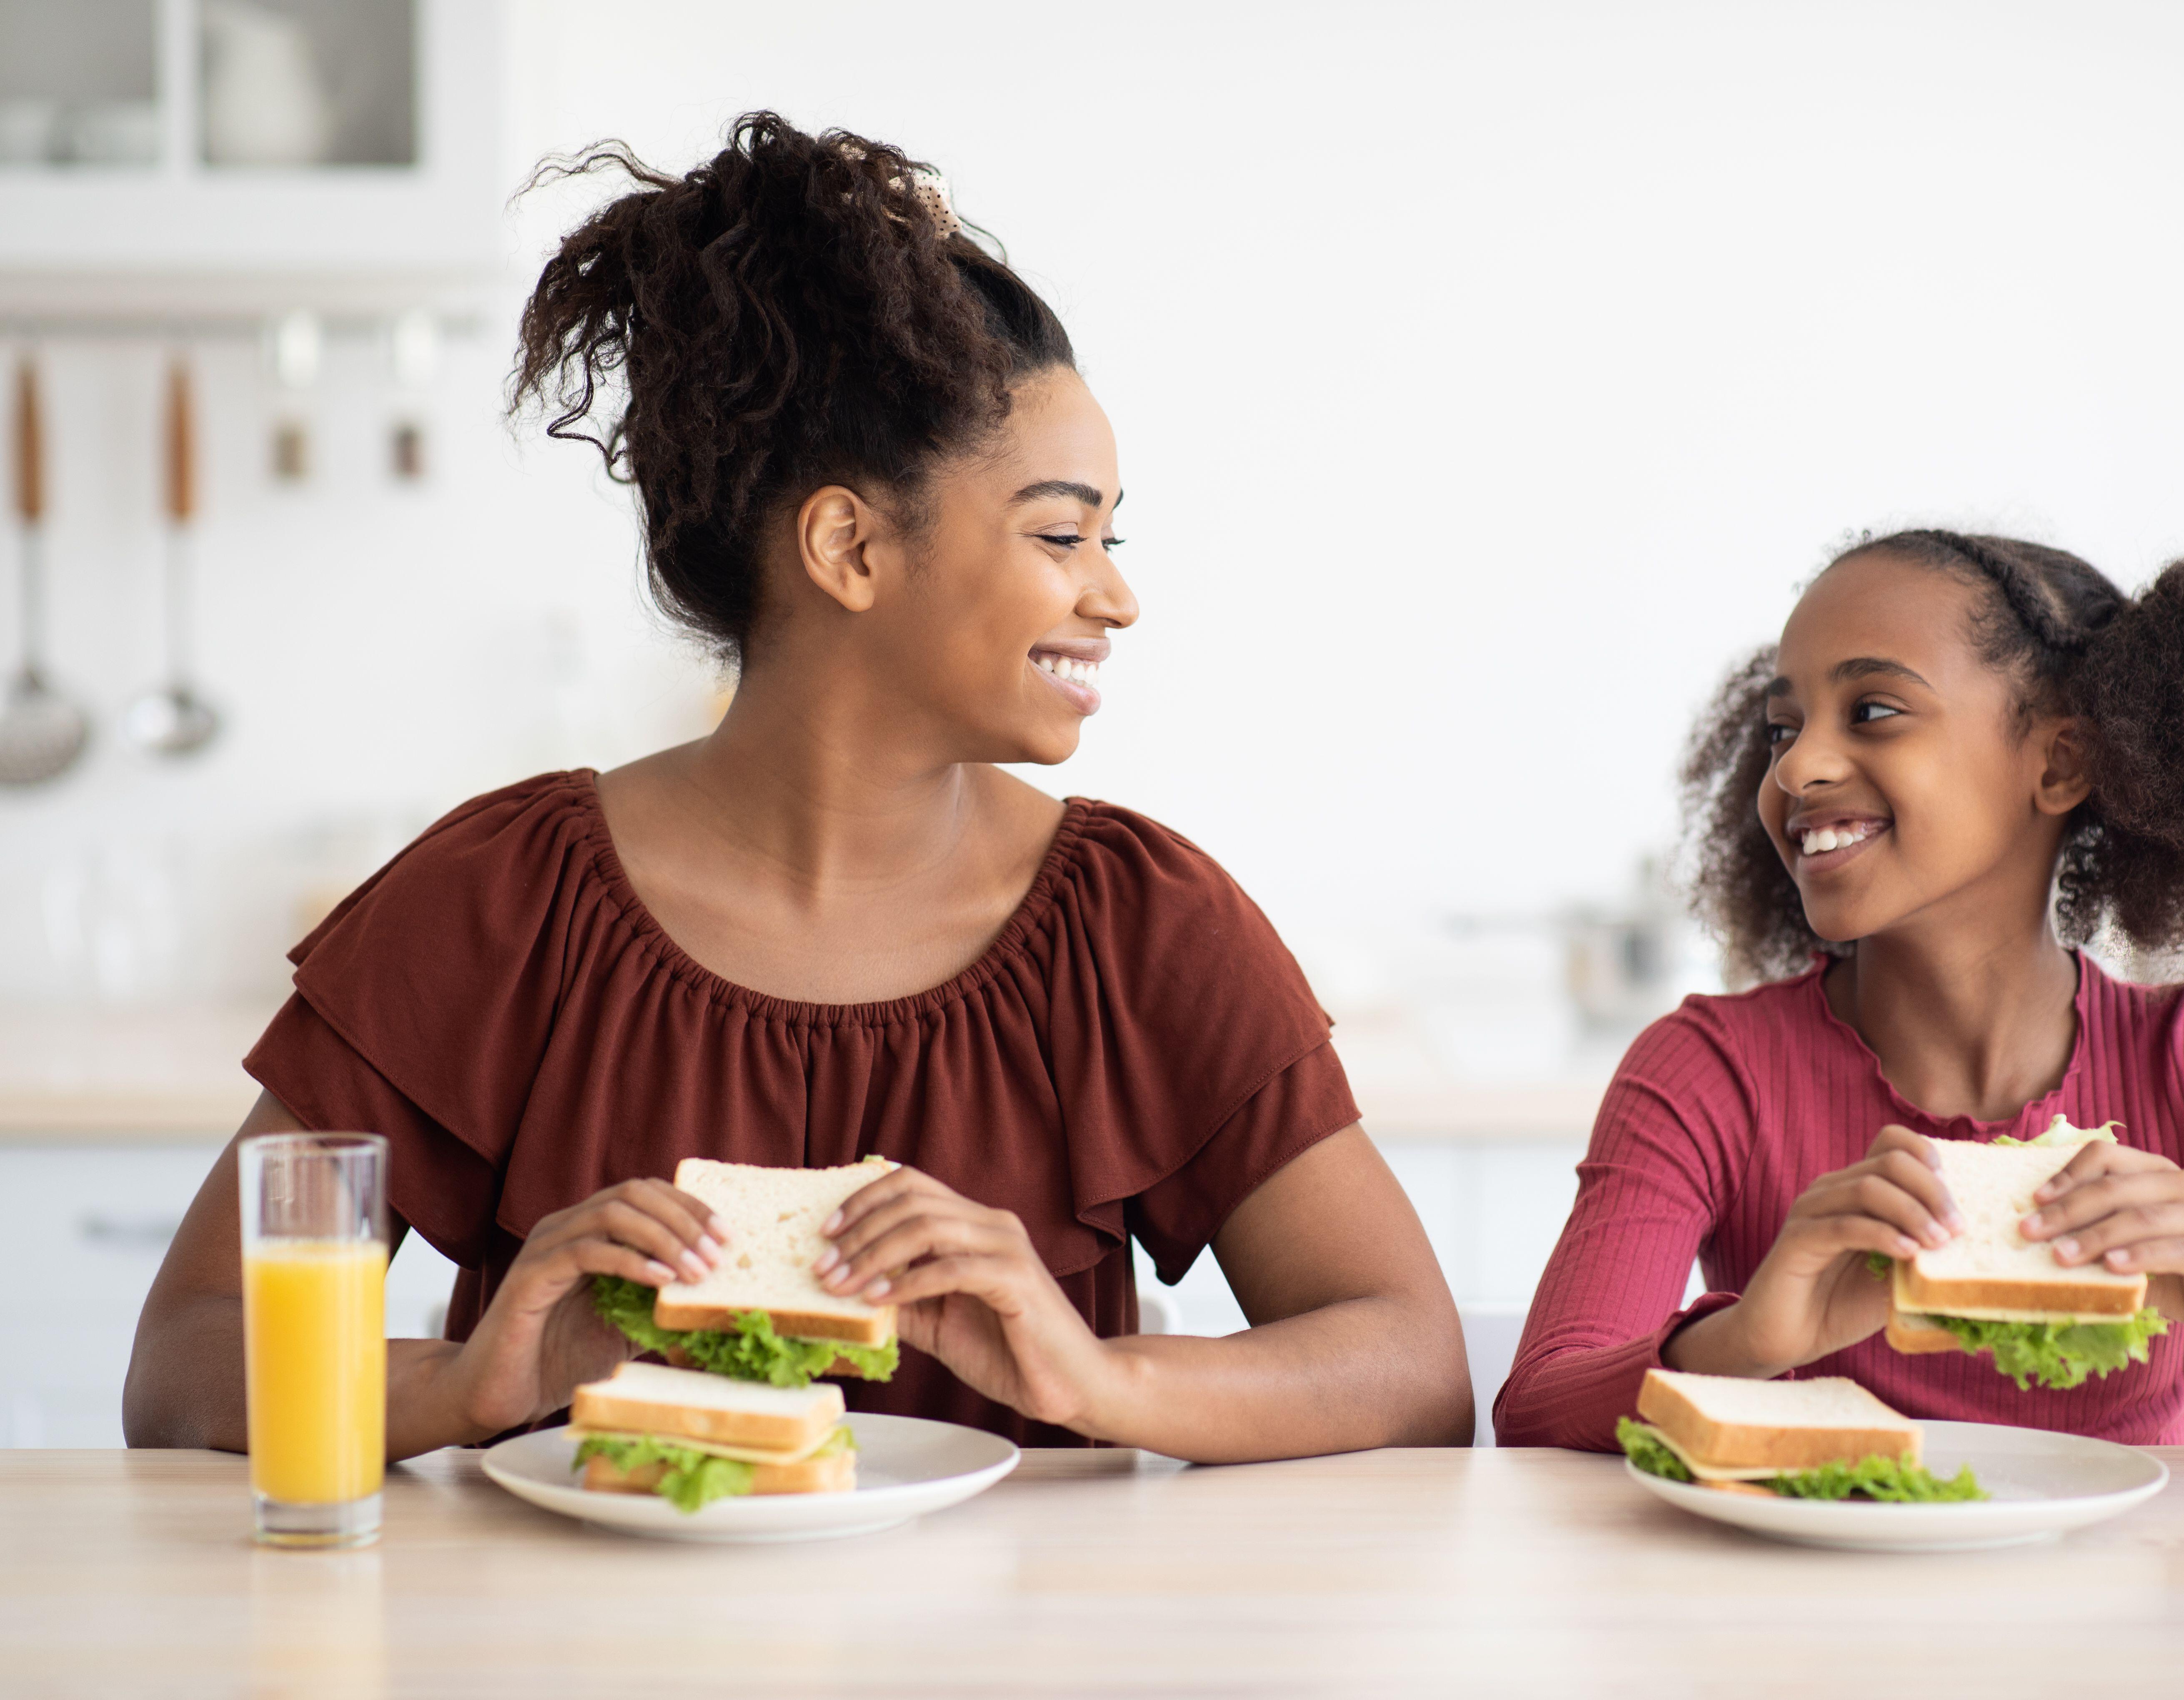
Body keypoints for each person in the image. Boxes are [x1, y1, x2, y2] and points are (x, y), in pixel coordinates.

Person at [126, 113, 1470, 1462]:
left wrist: (1097, 1378)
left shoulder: (1138, 924)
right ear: (847, 544)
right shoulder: (498, 902)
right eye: (1061, 532)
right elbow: (184, 1363)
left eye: (1106, 537)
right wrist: (465, 1382)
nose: (1114, 594)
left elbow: (1409, 1361)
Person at [1496, 530, 2184, 1448]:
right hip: (1805, 1626)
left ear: (2057, 764)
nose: (1797, 765)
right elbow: (1541, 1400)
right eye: (1780, 727)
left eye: (1872, 710)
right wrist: (1751, 1338)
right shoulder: (1708, 1069)